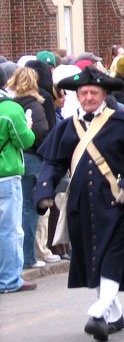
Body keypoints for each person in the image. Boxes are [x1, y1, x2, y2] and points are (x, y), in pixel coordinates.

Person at [33, 67, 124, 340]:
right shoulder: (66, 128)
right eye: (83, 93)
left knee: (111, 255)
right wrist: (44, 192)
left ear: (104, 94)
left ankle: (99, 312)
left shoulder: (122, 124)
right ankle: (114, 313)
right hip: (81, 204)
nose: (88, 97)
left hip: (115, 202)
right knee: (95, 258)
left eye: (93, 93)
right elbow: (52, 163)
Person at [7, 67, 50, 270]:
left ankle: (21, 257)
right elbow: (42, 131)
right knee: (30, 209)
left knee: (18, 211)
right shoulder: (35, 105)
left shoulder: (10, 105)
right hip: (33, 158)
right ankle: (28, 257)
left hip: (17, 158)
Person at [0, 69, 37, 293]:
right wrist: (29, 127)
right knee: (9, 229)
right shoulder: (10, 109)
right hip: (6, 173)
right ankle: (10, 279)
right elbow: (26, 140)